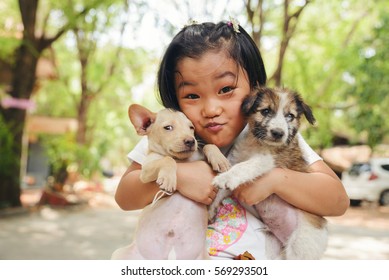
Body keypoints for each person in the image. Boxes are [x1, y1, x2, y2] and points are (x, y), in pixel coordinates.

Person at [115, 19, 349, 259]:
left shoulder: (271, 136)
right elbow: (124, 196)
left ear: (255, 89)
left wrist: (276, 179)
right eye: (192, 95)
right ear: (175, 98)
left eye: (226, 89)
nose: (211, 109)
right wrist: (181, 174)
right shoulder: (170, 134)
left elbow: (337, 200)